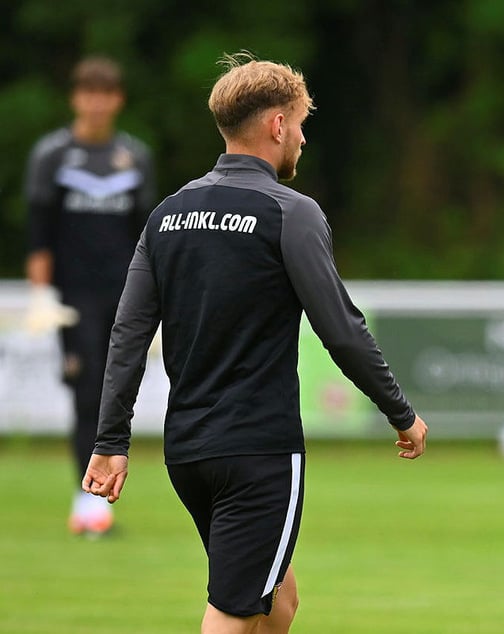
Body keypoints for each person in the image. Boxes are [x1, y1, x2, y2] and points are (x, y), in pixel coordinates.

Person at [81, 53, 428, 634]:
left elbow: (129, 332)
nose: (301, 139)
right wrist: (401, 412)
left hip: (188, 453)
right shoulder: (289, 212)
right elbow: (341, 327)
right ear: (275, 125)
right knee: (235, 612)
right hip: (259, 453)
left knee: (278, 603)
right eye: (299, 124)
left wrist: (111, 440)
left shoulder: (168, 215)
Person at [24, 55, 155, 537]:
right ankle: (88, 503)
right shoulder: (53, 156)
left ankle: (99, 496)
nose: (97, 103)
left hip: (124, 298)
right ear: (76, 98)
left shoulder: (134, 157)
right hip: (72, 298)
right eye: (88, 93)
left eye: (106, 94)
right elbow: (39, 236)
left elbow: (146, 237)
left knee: (113, 396)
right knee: (85, 396)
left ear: (117, 100)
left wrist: (154, 299)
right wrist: (42, 295)